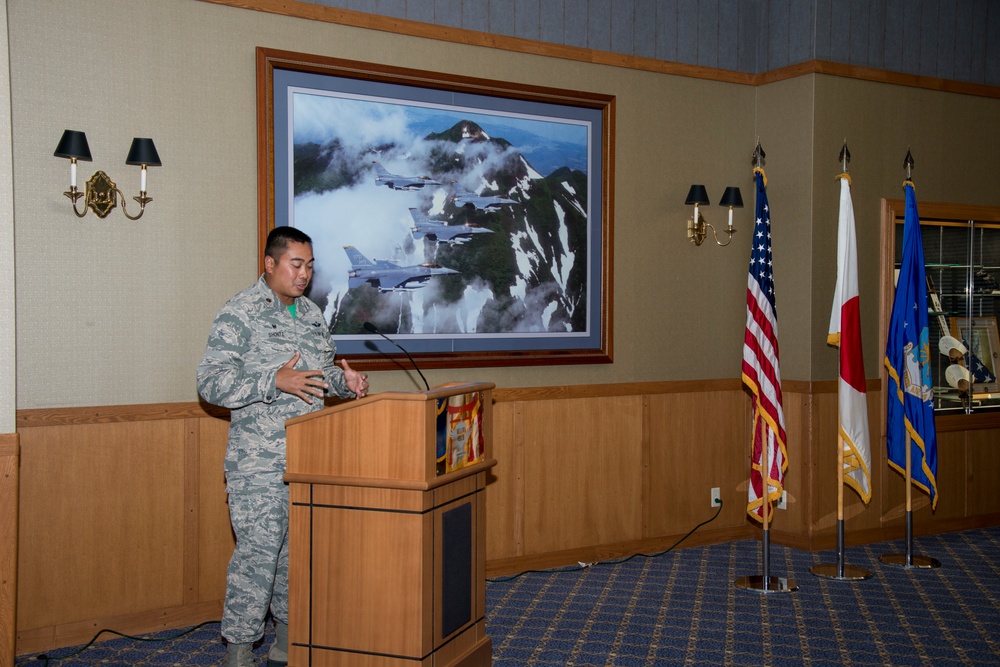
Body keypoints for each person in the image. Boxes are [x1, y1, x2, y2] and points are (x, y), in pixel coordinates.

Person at [197, 226, 368, 667]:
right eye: (296, 264)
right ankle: (239, 651)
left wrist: (343, 382)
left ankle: (287, 645)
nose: (305, 274)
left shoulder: (311, 313)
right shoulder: (242, 311)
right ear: (270, 264)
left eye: (310, 265)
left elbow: (319, 373)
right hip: (258, 463)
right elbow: (210, 383)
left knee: (297, 558)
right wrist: (272, 380)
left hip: (308, 460)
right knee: (257, 559)